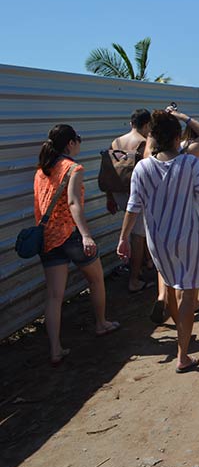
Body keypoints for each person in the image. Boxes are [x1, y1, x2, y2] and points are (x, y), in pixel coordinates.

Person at [118, 109, 199, 373]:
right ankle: (182, 354)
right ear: (177, 138)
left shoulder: (142, 167)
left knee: (172, 287)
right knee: (189, 292)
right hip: (188, 236)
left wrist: (123, 238)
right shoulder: (192, 164)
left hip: (157, 241)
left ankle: (182, 337)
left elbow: (133, 206)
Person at [34, 125, 120, 366]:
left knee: (53, 296)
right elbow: (73, 204)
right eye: (78, 140)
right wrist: (86, 235)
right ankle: (101, 323)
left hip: (48, 239)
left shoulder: (42, 170)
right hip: (70, 234)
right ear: (70, 143)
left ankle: (55, 349)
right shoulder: (73, 168)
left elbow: (40, 206)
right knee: (96, 279)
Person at [105, 109, 151, 293]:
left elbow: (109, 170)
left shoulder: (116, 141)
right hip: (136, 195)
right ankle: (134, 280)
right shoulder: (143, 143)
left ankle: (146, 263)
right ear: (147, 124)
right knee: (137, 237)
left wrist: (109, 197)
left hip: (118, 193)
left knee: (138, 232)